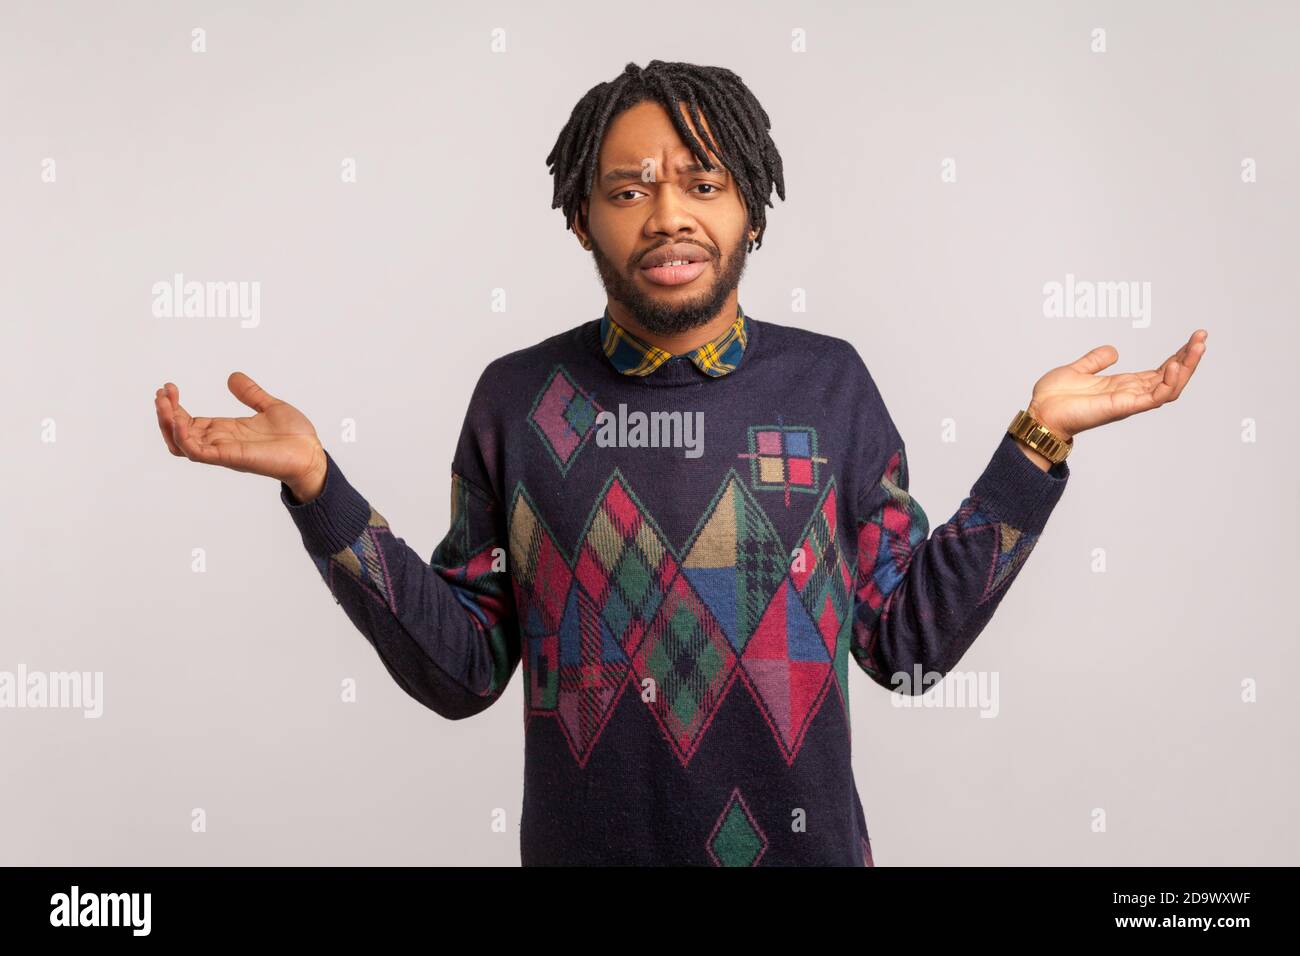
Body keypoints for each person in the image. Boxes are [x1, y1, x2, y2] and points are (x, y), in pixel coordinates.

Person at [153, 60, 1207, 866]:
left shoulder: (828, 390)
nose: (669, 214)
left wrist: (1036, 444)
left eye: (703, 182)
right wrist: (317, 489)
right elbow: (463, 666)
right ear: (580, 218)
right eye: (628, 190)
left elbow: (901, 641)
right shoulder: (518, 402)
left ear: (750, 208)